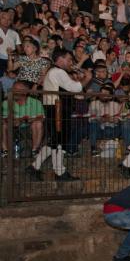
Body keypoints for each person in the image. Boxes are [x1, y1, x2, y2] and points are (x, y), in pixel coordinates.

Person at [27, 49, 92, 181]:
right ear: (60, 59)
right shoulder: (58, 71)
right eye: (69, 59)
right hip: (57, 109)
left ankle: (36, 167)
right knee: (59, 140)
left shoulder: (55, 71)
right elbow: (75, 88)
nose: (71, 63)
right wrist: (87, 78)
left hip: (56, 108)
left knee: (57, 140)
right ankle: (59, 172)